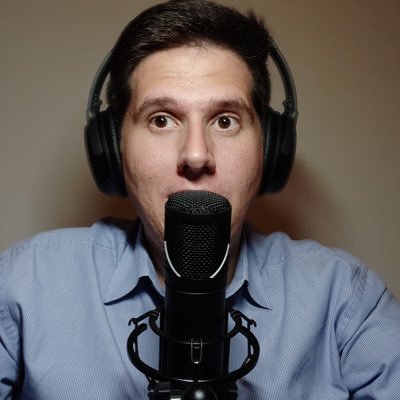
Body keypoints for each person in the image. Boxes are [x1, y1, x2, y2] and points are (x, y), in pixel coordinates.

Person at [1, 0, 399, 399]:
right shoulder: (22, 286)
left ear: (269, 148)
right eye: (161, 119)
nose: (195, 155)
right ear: (113, 147)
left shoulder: (345, 301)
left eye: (225, 120)